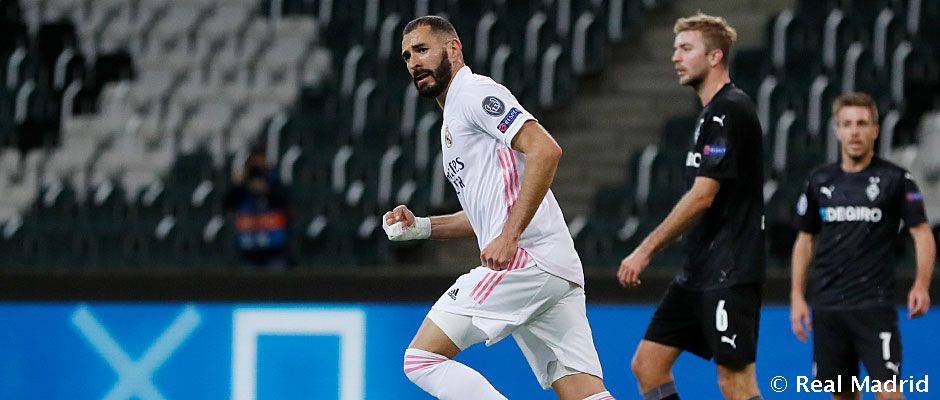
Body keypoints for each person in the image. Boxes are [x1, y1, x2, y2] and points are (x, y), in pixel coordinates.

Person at [385, 15, 615, 400]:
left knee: (421, 359)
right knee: (584, 393)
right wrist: (422, 227)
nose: (414, 62)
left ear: (454, 49)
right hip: (552, 266)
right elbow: (485, 214)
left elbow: (545, 150)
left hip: (525, 260)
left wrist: (509, 237)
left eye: (422, 49)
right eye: (407, 56)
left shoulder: (473, 93)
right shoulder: (453, 117)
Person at [617, 13, 765, 400]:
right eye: (675, 49)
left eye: (685, 49)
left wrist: (645, 249)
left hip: (731, 269)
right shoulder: (708, 114)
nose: (675, 57)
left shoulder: (730, 110)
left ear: (715, 57)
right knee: (648, 365)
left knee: (735, 382)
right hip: (700, 268)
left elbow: (703, 195)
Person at [790, 92, 936, 400]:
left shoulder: (895, 179)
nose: (854, 132)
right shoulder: (819, 180)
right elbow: (805, 239)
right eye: (847, 124)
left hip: (874, 305)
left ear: (875, 130)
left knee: (889, 393)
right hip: (828, 306)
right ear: (837, 130)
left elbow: (922, 233)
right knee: (842, 395)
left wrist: (922, 285)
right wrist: (797, 296)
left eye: (862, 123)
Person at [224, 145, 291, 270]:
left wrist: (266, 190)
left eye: (260, 164)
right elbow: (227, 205)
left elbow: (285, 205)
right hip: (246, 252)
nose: (257, 170)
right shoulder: (241, 188)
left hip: (274, 251)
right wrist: (238, 185)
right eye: (253, 165)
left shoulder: (275, 182)